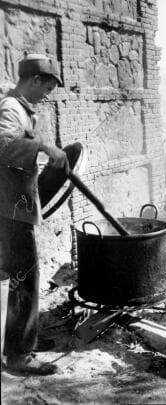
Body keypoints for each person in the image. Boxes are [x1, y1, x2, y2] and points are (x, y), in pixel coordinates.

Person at [0, 54, 69, 374]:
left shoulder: (23, 110)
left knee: (17, 278)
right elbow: (3, 146)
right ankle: (19, 356)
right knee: (25, 280)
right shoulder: (11, 109)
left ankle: (20, 343)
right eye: (47, 88)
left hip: (15, 206)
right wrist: (42, 147)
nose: (47, 95)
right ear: (34, 81)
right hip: (9, 210)